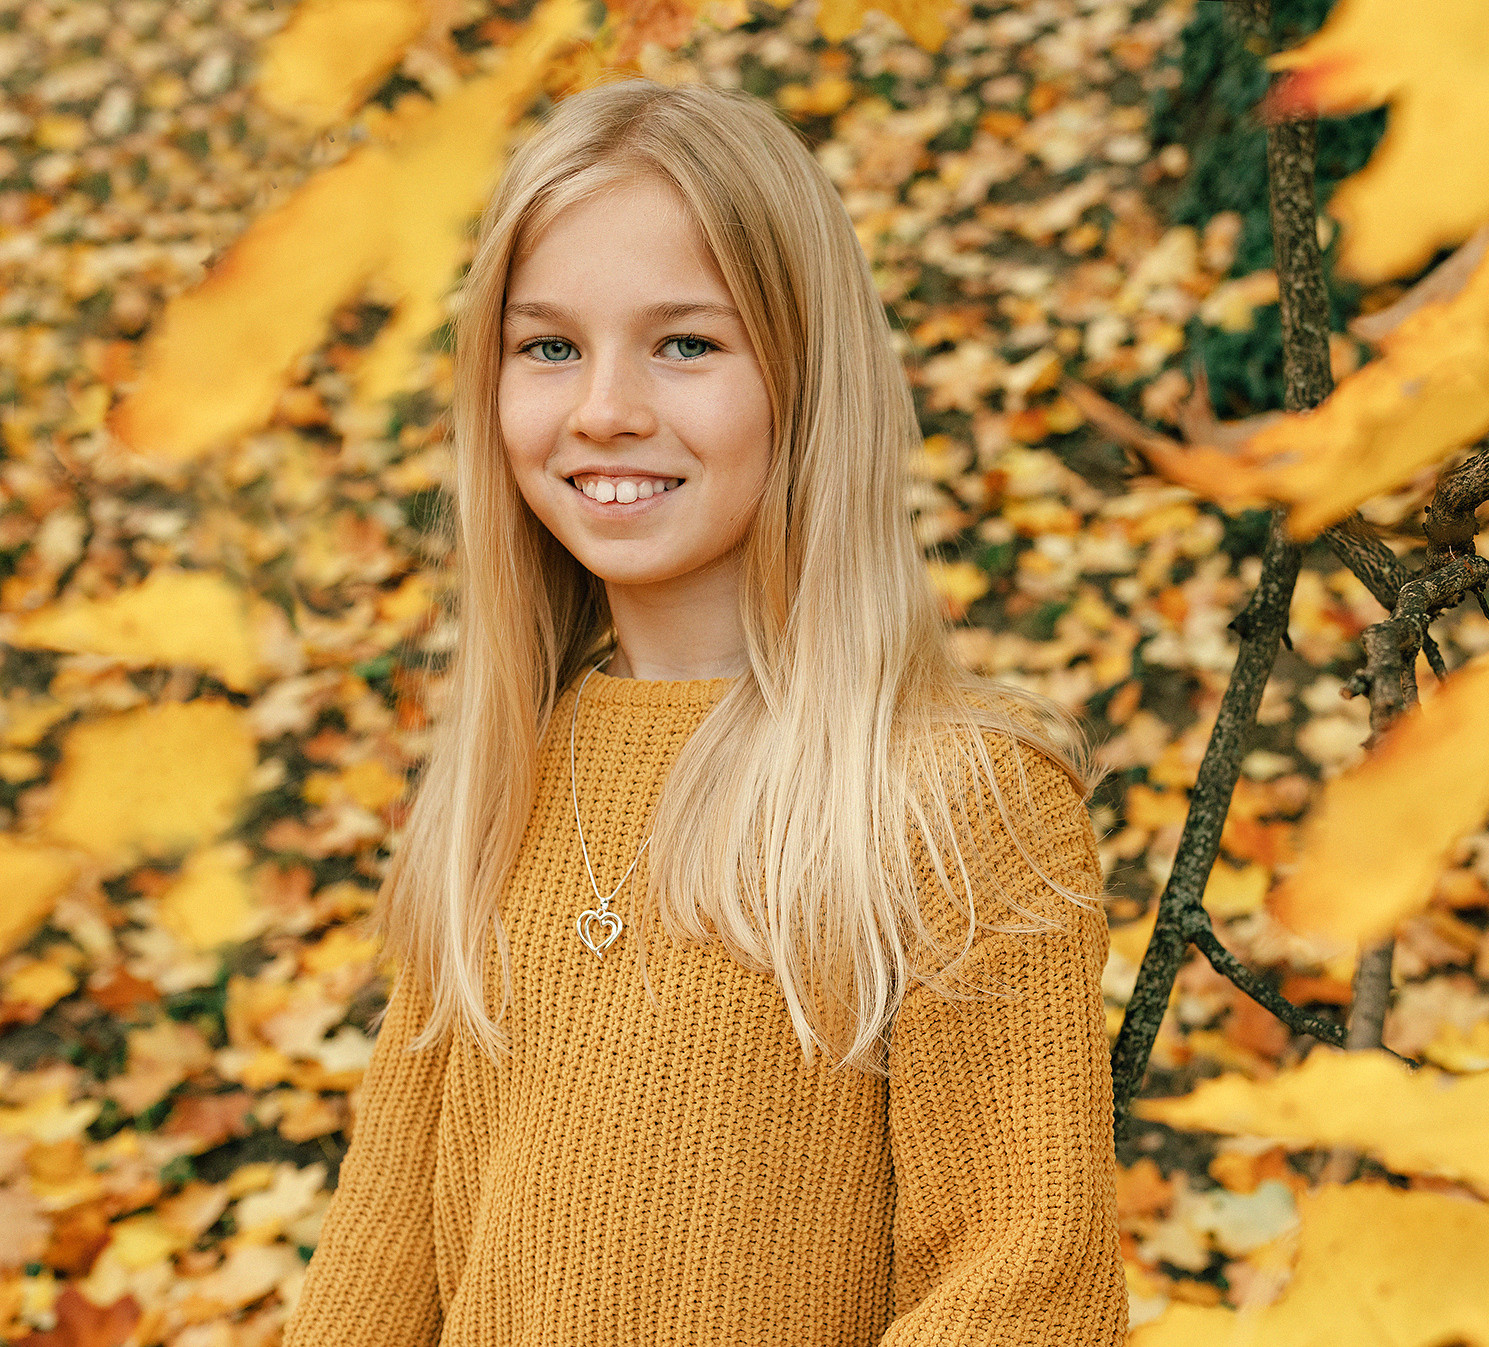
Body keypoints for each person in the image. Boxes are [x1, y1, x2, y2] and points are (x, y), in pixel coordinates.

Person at [281, 76, 1127, 1346]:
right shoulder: (502, 783)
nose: (603, 406)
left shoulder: (954, 796)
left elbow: (1023, 1284)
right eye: (548, 346)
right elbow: (381, 1256)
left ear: (803, 378)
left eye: (686, 343)